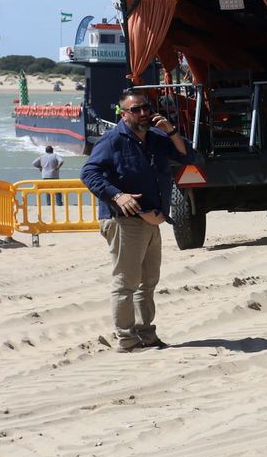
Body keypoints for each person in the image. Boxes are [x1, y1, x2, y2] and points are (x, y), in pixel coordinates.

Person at [80, 91, 199, 352]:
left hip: (152, 219)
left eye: (146, 108)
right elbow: (88, 173)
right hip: (124, 221)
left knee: (148, 282)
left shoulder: (157, 137)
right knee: (126, 283)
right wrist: (117, 195)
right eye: (136, 110)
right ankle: (126, 339)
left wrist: (170, 131)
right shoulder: (112, 141)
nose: (143, 113)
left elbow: (188, 157)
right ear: (124, 114)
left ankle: (146, 334)